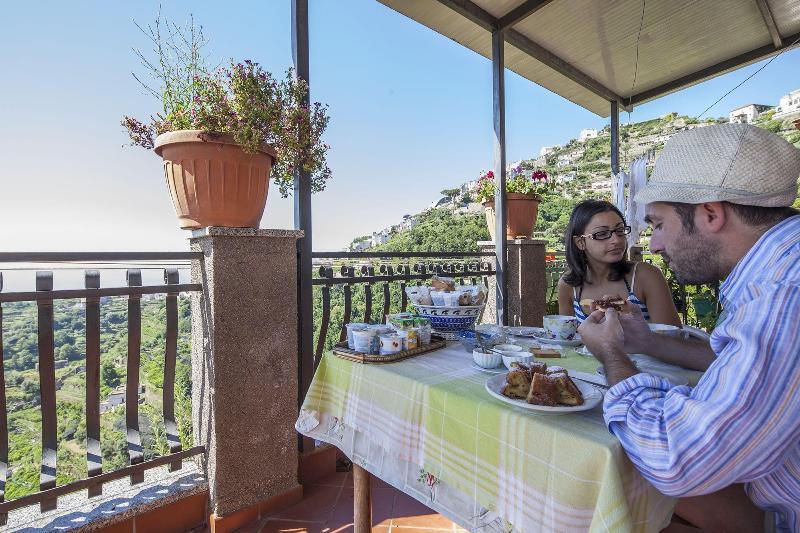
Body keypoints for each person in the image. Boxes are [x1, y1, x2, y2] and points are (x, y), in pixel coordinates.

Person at [578, 123, 800, 532]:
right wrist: (648, 343)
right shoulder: (777, 270)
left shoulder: (783, 294)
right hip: (768, 482)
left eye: (658, 224)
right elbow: (738, 361)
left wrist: (612, 356)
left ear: (711, 214)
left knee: (597, 500)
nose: (655, 244)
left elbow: (677, 457)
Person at [557, 199, 681, 326]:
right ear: (580, 242)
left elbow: (674, 337)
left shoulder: (645, 276)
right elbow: (566, 340)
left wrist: (634, 322)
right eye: (602, 233)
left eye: (620, 230)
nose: (616, 240)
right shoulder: (569, 286)